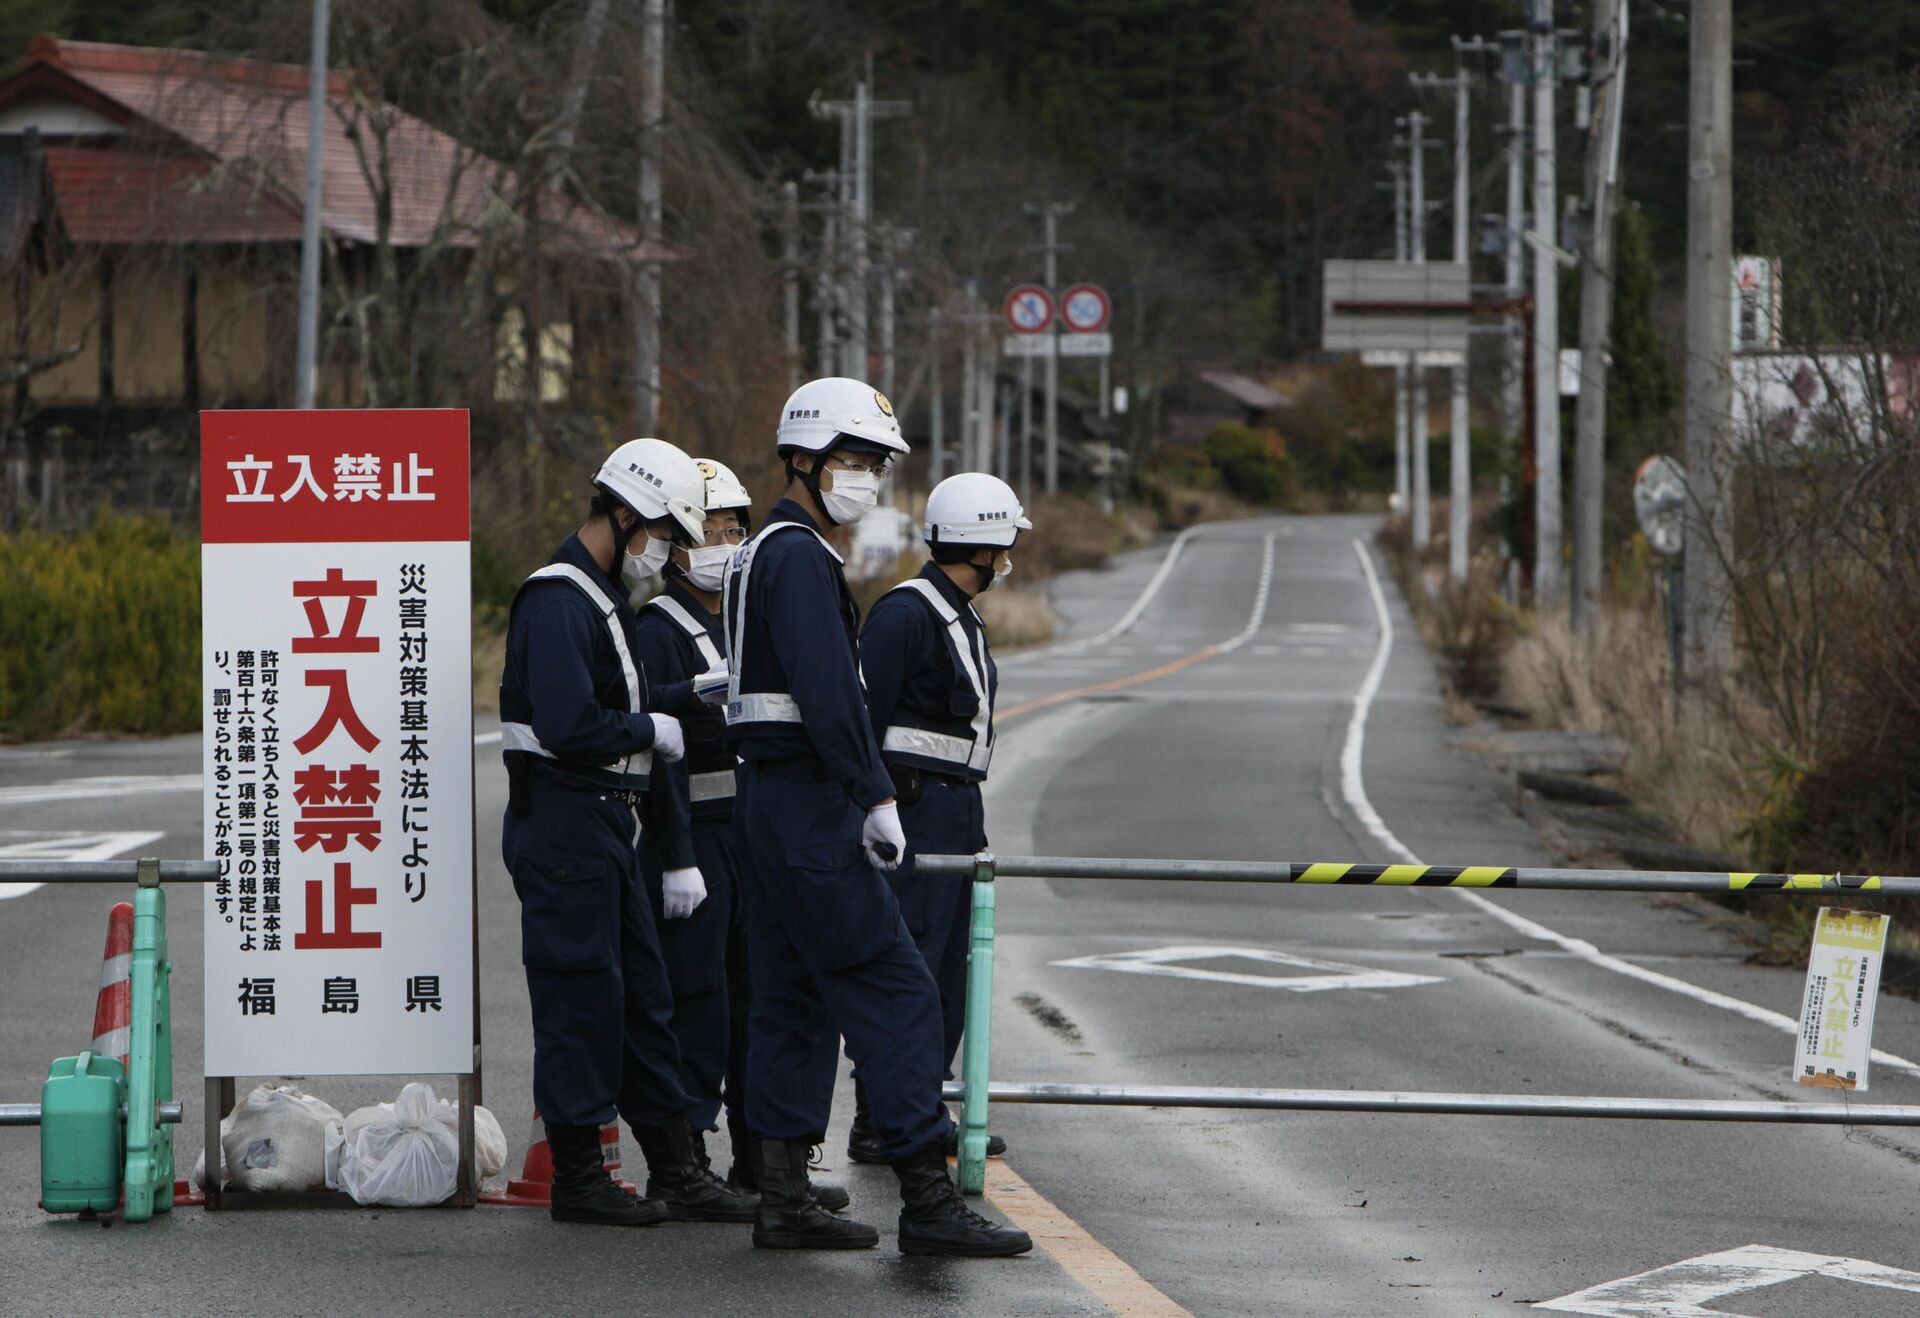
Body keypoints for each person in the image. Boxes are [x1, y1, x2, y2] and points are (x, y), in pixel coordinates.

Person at [722, 376, 1032, 1257]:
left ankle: (781, 1193)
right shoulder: (801, 557)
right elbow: (829, 694)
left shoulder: (755, 553)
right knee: (897, 988)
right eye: (851, 461)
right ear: (803, 461)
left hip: (764, 807)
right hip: (812, 810)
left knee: (789, 1000)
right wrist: (874, 794)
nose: (864, 479)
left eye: (872, 465)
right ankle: (927, 1201)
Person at [498, 438, 757, 1228]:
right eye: (663, 534)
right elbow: (571, 720)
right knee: (583, 999)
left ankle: (677, 1169)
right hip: (566, 822)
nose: (668, 553)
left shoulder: (600, 599)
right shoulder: (557, 599)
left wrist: (682, 696)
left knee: (644, 1000)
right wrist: (657, 724)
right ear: (621, 513)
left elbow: (612, 693)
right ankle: (578, 1178)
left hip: (606, 822)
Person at [632, 458, 850, 1212]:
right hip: (694, 840)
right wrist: (677, 856)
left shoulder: (740, 616)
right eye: (711, 531)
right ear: (678, 543)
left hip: (747, 834)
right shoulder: (657, 629)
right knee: (697, 1001)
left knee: (759, 1000)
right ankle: (687, 1159)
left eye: (734, 530)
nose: (726, 544)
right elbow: (657, 756)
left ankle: (766, 1161)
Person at [848, 472, 1028, 1165]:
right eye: (1004, 544)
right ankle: (883, 1116)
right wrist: (875, 807)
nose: (1008, 558)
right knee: (911, 966)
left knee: (950, 968)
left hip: (954, 809)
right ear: (982, 544)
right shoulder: (907, 612)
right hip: (915, 810)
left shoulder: (956, 611)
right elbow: (866, 718)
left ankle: (917, 1103)